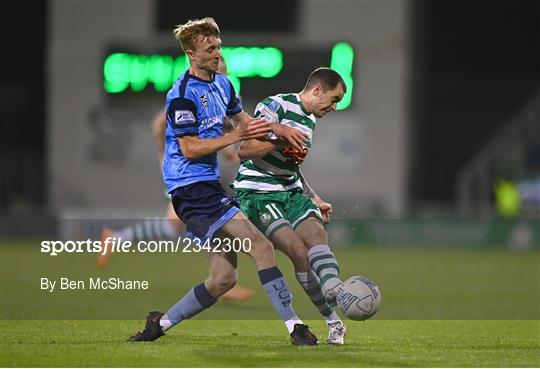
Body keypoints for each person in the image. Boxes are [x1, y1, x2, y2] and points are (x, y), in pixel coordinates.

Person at [128, 17, 318, 345]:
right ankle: (295, 327)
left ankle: (159, 325)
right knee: (261, 245)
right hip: (190, 190)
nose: (217, 54)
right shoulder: (182, 95)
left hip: (208, 187)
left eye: (218, 47)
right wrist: (236, 135)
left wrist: (279, 129)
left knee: (223, 279)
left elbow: (245, 121)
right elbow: (189, 148)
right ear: (191, 54)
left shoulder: (223, 84)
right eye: (209, 49)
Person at [97, 57, 254, 301]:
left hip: (198, 175)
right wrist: (164, 156)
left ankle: (117, 239)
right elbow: (159, 123)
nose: (220, 75)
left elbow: (216, 130)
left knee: (189, 225)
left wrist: (228, 152)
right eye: (219, 70)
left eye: (224, 72)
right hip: (183, 173)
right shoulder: (188, 94)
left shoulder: (218, 95)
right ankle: (222, 280)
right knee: (193, 224)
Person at [233, 67, 347, 344]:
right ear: (317, 90)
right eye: (334, 99)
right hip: (258, 192)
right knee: (298, 252)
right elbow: (244, 151)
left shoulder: (310, 121)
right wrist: (278, 136)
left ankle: (334, 298)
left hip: (291, 191)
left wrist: (314, 197)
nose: (334, 107)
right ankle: (332, 315)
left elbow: (291, 168)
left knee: (317, 237)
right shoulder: (276, 105)